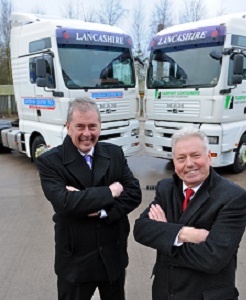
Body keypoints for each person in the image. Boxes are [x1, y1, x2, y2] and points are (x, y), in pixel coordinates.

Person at [36, 97, 142, 300]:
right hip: (76, 263)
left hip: (113, 257)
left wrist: (101, 210)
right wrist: (110, 192)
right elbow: (65, 203)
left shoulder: (115, 154)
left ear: (100, 127)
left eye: (92, 126)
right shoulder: (50, 162)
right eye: (80, 126)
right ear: (68, 127)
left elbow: (134, 193)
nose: (87, 133)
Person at [134, 127, 246, 300]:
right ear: (174, 162)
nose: (189, 163)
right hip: (165, 293)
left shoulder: (234, 198)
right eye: (181, 158)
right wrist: (185, 234)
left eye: (195, 155)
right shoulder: (166, 188)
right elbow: (141, 230)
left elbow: (213, 259)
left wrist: (165, 234)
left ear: (209, 156)